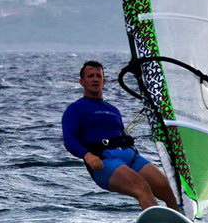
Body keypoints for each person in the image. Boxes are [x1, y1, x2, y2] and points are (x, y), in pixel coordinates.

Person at [62, 60, 179, 211]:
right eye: (90, 76)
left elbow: (117, 133)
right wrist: (87, 155)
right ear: (82, 82)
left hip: (130, 156)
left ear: (104, 81)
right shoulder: (75, 109)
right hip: (105, 161)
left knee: (165, 187)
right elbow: (69, 140)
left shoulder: (113, 110)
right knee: (141, 187)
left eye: (99, 76)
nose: (95, 79)